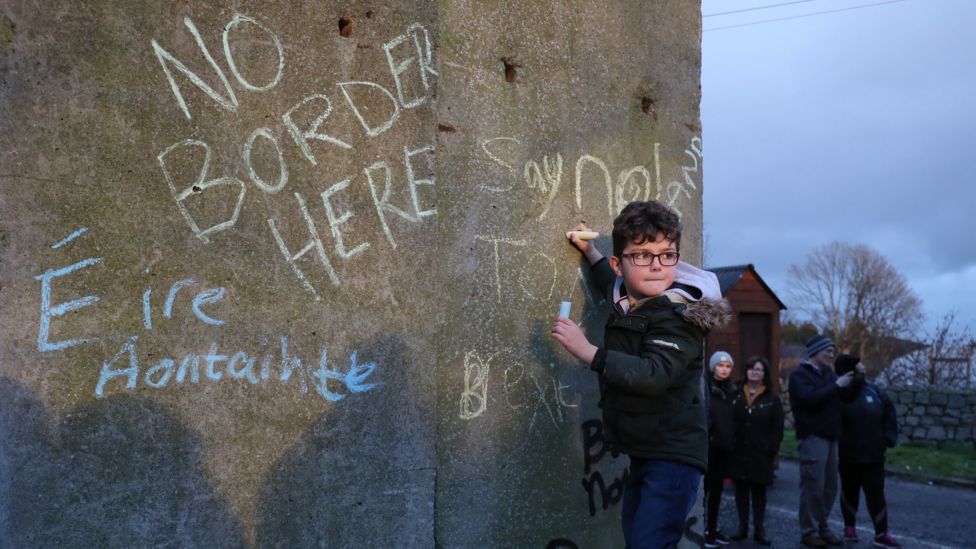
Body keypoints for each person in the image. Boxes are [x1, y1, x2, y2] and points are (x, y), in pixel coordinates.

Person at [551, 201, 730, 548]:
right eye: (642, 255)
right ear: (619, 264)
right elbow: (610, 283)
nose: (656, 265)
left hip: (674, 459)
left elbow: (654, 374)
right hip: (646, 452)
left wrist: (588, 351)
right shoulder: (631, 299)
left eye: (666, 255)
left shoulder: (680, 316)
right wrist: (590, 251)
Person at [788, 335, 858, 547]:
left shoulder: (828, 374)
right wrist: (837, 385)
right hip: (812, 437)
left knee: (830, 488)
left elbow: (845, 398)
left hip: (831, 437)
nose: (831, 355)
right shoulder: (799, 375)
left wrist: (856, 378)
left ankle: (822, 527)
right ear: (815, 352)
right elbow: (809, 400)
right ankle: (808, 532)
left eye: (832, 352)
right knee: (813, 487)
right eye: (828, 351)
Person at [835, 354, 901, 548]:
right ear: (849, 372)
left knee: (876, 495)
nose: (862, 369)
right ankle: (849, 529)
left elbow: (889, 413)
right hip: (848, 455)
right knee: (849, 492)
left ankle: (881, 533)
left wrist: (887, 438)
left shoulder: (875, 391)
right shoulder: (838, 392)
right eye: (858, 368)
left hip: (874, 455)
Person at [730, 356, 783, 546]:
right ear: (746, 371)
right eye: (751, 368)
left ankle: (759, 530)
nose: (754, 372)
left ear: (764, 374)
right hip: (739, 452)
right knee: (741, 492)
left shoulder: (772, 398)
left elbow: (777, 428)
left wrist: (771, 449)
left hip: (761, 454)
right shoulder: (735, 393)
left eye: (759, 369)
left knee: (759, 493)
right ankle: (742, 527)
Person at [704, 351, 736, 548]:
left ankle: (712, 528)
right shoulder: (706, 387)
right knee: (704, 491)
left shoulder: (732, 390)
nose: (724, 369)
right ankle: (701, 529)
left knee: (717, 492)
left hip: (724, 448)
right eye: (720, 365)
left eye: (728, 366)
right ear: (713, 367)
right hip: (709, 448)